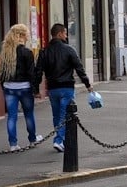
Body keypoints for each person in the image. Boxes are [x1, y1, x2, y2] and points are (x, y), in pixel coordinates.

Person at [33, 23, 93, 152]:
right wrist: (87, 84)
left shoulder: (44, 51)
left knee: (56, 115)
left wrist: (36, 89)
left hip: (53, 88)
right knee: (65, 114)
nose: (66, 35)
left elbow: (38, 71)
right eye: (65, 33)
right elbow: (79, 68)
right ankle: (59, 140)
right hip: (66, 87)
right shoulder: (69, 50)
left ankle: (61, 139)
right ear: (59, 34)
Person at [0, 24, 42, 151]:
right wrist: (35, 90)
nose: (28, 36)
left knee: (12, 116)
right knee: (29, 114)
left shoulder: (5, 52)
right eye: (27, 34)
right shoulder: (27, 52)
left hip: (9, 87)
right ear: (22, 35)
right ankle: (32, 139)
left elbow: (2, 72)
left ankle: (13, 144)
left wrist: (4, 86)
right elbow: (31, 73)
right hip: (24, 87)